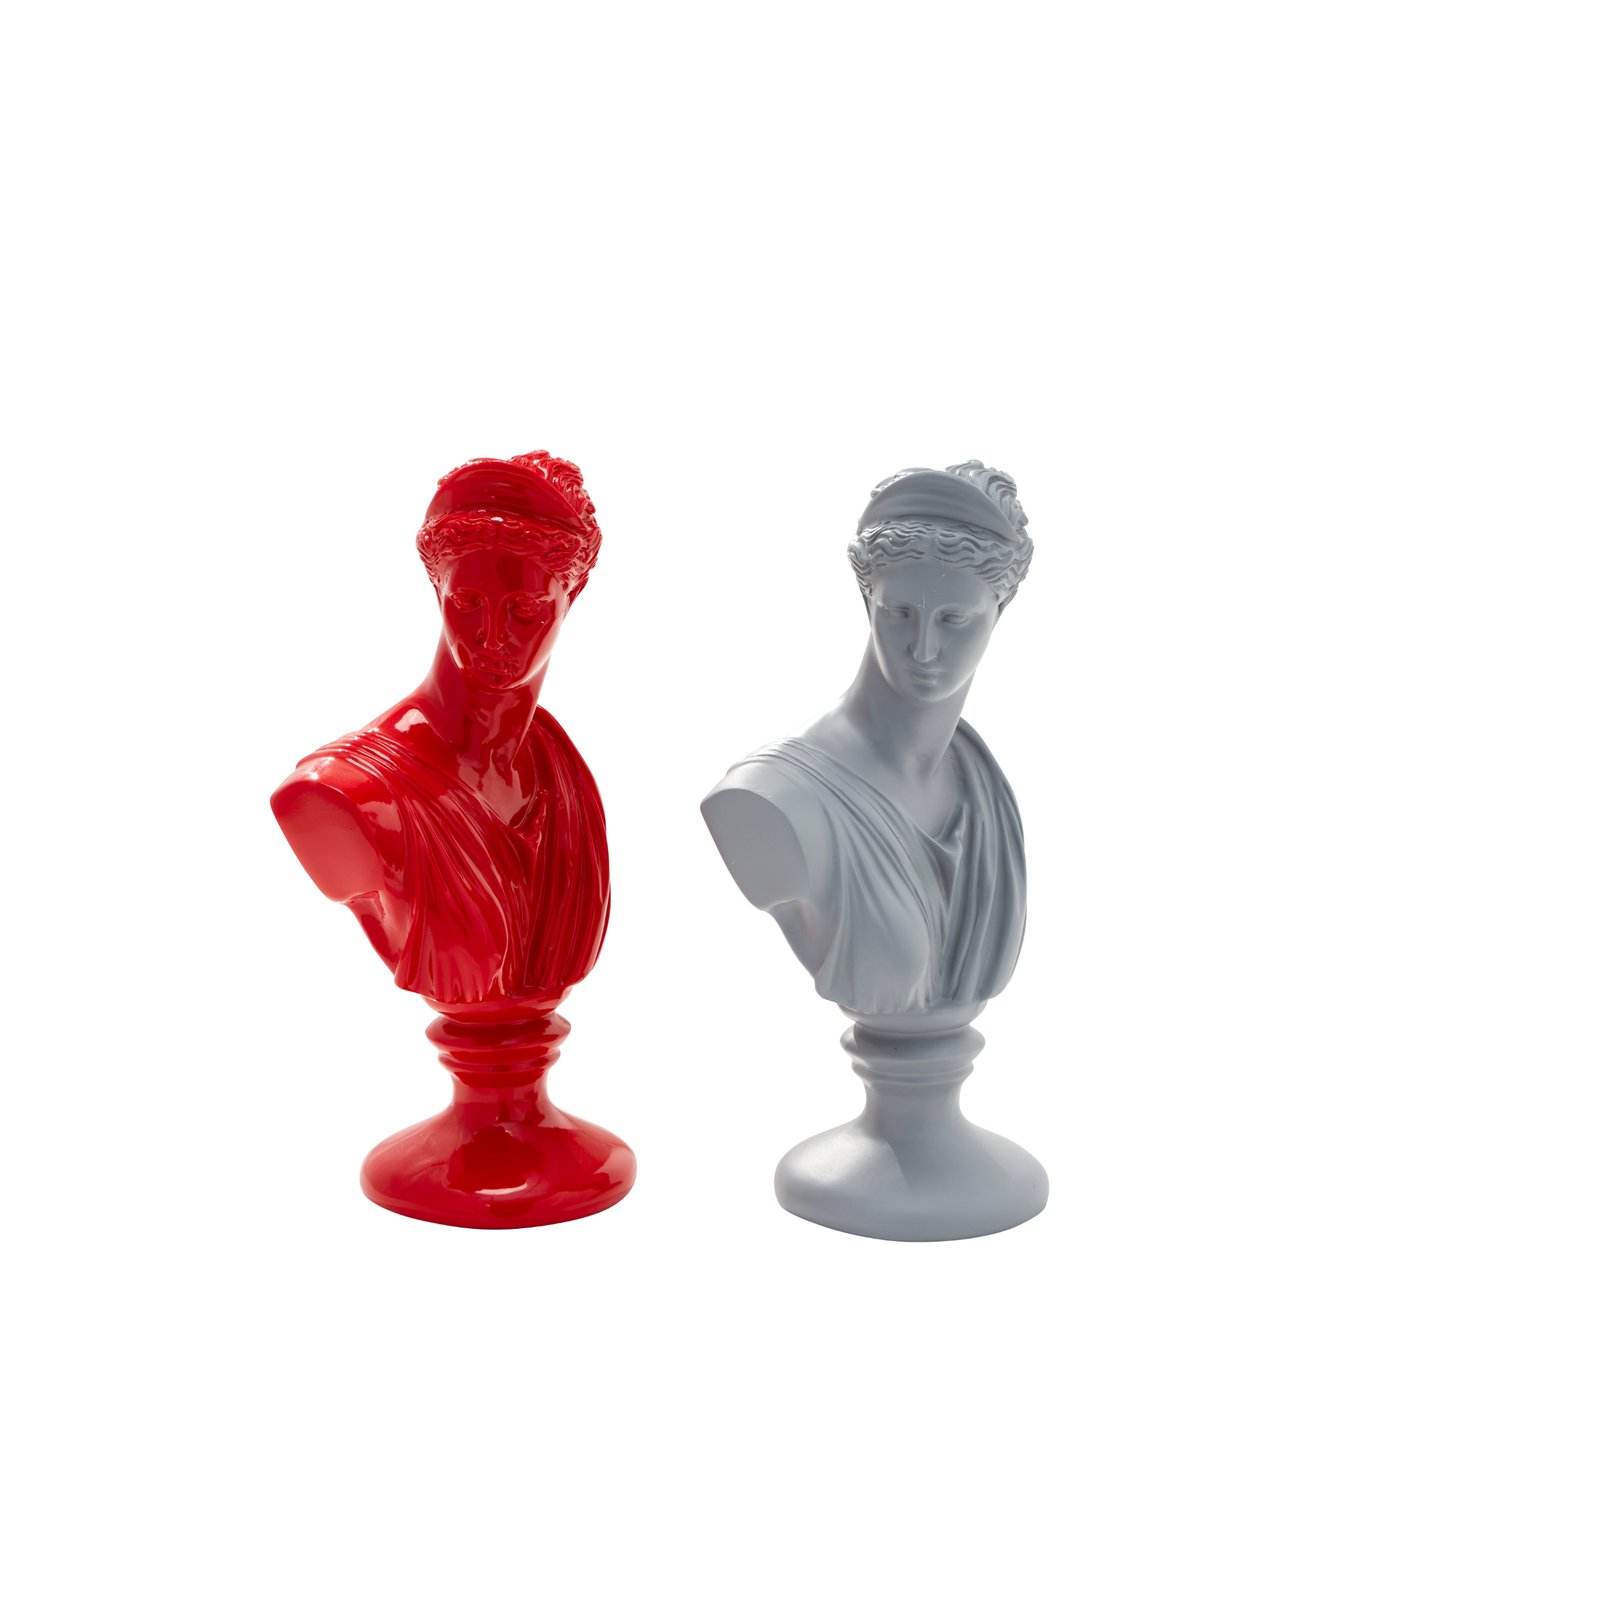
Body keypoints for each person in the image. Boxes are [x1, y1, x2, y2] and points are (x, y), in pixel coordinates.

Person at [271, 452, 609, 1010]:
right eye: (468, 603)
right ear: (438, 593)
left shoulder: (560, 770)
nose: (491, 637)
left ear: (569, 598)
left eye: (524, 610)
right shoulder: (343, 792)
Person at [702, 460, 1033, 1018]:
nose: (923, 648)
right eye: (898, 613)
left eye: (954, 620)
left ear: (998, 611)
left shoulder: (983, 788)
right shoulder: (769, 799)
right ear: (867, 601)